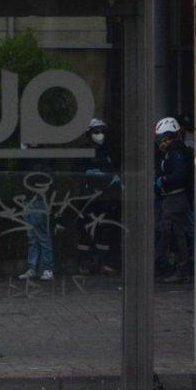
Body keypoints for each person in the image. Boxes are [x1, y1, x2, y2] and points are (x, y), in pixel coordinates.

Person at [75, 118, 121, 276]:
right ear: (89, 134)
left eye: (102, 132)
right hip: (87, 198)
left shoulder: (108, 151)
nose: (100, 135)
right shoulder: (84, 151)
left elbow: (114, 171)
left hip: (105, 198)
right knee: (85, 231)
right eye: (96, 132)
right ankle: (84, 262)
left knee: (104, 230)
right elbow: (79, 173)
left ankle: (103, 263)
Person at [155, 117, 193, 283]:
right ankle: (169, 266)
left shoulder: (177, 152)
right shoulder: (171, 152)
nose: (160, 142)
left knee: (174, 235)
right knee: (171, 233)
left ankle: (179, 269)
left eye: (162, 138)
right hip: (171, 198)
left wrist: (163, 180)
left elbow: (179, 174)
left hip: (175, 198)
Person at [16, 148, 55, 282]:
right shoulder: (27, 157)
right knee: (33, 236)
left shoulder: (41, 156)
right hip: (29, 199)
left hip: (38, 199)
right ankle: (35, 267)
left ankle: (46, 268)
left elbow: (46, 178)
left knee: (41, 235)